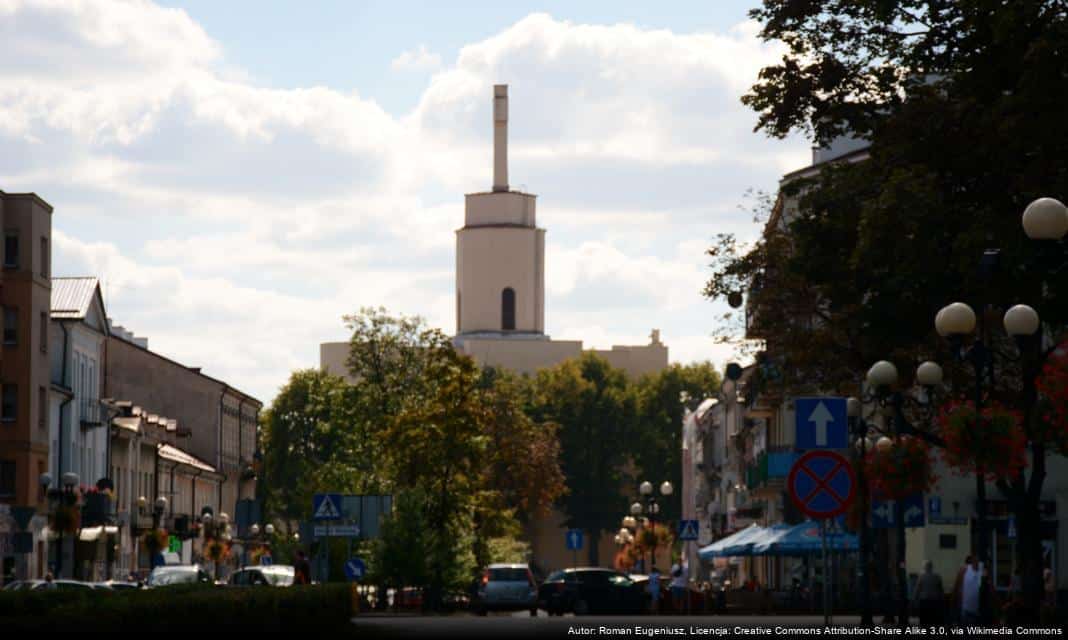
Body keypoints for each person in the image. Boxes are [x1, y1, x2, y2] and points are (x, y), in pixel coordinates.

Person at [913, 561, 945, 626]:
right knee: (933, 619)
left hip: (924, 601)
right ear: (932, 567)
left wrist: (915, 600)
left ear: (925, 567)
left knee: (924, 619)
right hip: (934, 601)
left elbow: (917, 590)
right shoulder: (937, 576)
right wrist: (942, 600)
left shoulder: (921, 576)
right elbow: (941, 590)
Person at [958, 556, 982, 625]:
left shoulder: (964, 571)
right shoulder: (978, 573)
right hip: (974, 608)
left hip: (967, 608)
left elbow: (958, 590)